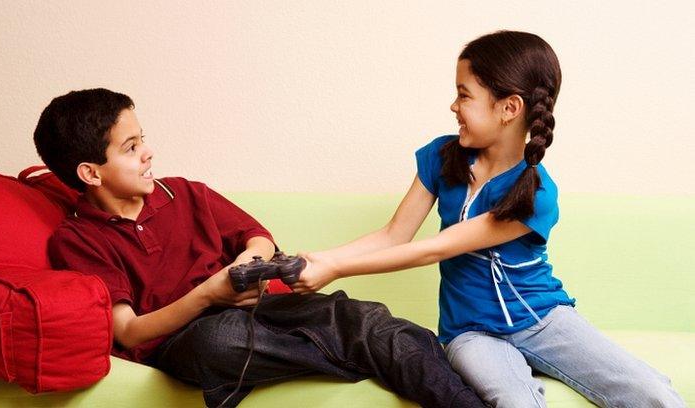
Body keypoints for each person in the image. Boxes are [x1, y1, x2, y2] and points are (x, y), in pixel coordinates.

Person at [293, 30, 685, 408]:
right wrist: (320, 260)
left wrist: (337, 269)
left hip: (544, 319)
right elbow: (395, 234)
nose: (453, 106)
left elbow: (435, 249)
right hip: (471, 333)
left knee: (653, 393)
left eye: (464, 95)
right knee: (517, 401)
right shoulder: (440, 157)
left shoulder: (537, 193)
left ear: (508, 108)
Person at [33, 88, 486, 408]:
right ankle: (371, 354)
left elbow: (258, 238)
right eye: (131, 148)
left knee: (366, 318)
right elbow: (129, 332)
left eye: (143, 139)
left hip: (262, 309)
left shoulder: (185, 193)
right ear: (91, 174)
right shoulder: (78, 239)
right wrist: (208, 295)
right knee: (221, 340)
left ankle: (400, 361)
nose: (148, 153)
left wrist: (246, 264)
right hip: (184, 337)